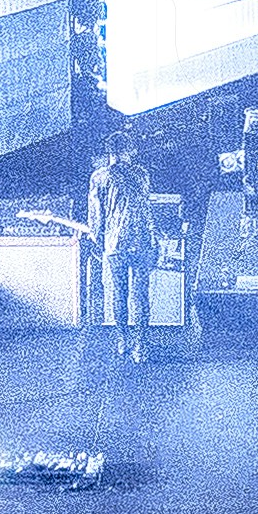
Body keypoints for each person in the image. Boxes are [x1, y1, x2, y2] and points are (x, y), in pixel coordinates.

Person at [87, 136, 156, 361]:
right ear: (130, 150)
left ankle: (122, 340)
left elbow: (96, 215)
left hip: (115, 243)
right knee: (141, 295)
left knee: (119, 293)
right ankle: (141, 346)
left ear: (108, 152)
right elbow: (146, 207)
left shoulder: (98, 177)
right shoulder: (142, 174)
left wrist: (96, 239)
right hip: (142, 240)